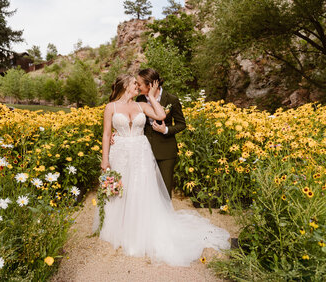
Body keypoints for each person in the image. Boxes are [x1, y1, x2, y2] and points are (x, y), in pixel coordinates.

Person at [95, 74, 230, 267]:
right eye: (135, 84)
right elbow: (107, 133)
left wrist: (150, 97)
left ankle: (141, 232)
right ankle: (119, 230)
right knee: (121, 191)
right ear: (125, 86)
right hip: (121, 152)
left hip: (141, 152)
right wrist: (105, 159)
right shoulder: (111, 107)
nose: (138, 87)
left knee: (140, 190)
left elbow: (161, 116)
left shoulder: (142, 104)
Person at [135, 68, 186, 198]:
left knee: (164, 190)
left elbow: (181, 124)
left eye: (139, 84)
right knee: (146, 189)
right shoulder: (140, 99)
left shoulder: (171, 99)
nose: (137, 86)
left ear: (151, 84)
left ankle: (165, 217)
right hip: (144, 150)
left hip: (166, 151)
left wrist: (166, 130)